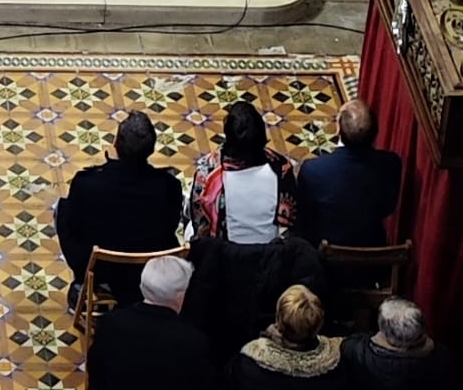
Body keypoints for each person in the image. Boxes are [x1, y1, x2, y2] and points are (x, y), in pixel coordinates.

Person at [54, 110, 183, 307]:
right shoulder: (169, 186)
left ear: (116, 144)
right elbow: (171, 224)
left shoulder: (86, 184)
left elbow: (73, 226)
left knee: (62, 210)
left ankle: (82, 281)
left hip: (100, 268)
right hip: (147, 267)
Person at [82, 254, 218, 390]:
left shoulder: (111, 325)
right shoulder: (198, 343)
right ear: (181, 296)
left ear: (141, 287)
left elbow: (95, 373)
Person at [292, 100, 401, 249]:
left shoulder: (313, 170)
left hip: (322, 257)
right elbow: (388, 207)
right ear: (376, 133)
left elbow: (303, 217)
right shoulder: (391, 164)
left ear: (338, 130)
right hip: (373, 254)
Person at [228, 283, 348, 390]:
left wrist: (265, 340)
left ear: (278, 321)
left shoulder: (246, 364)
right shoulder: (335, 367)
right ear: (319, 325)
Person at [187, 101, 295, 245]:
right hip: (269, 256)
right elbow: (290, 221)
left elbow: (199, 222)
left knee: (188, 225)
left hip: (225, 257)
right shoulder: (281, 167)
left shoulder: (207, 170)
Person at [342, 297, 463, 390]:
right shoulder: (445, 358)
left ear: (382, 329)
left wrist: (371, 338)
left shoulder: (357, 353)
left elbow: (347, 345)